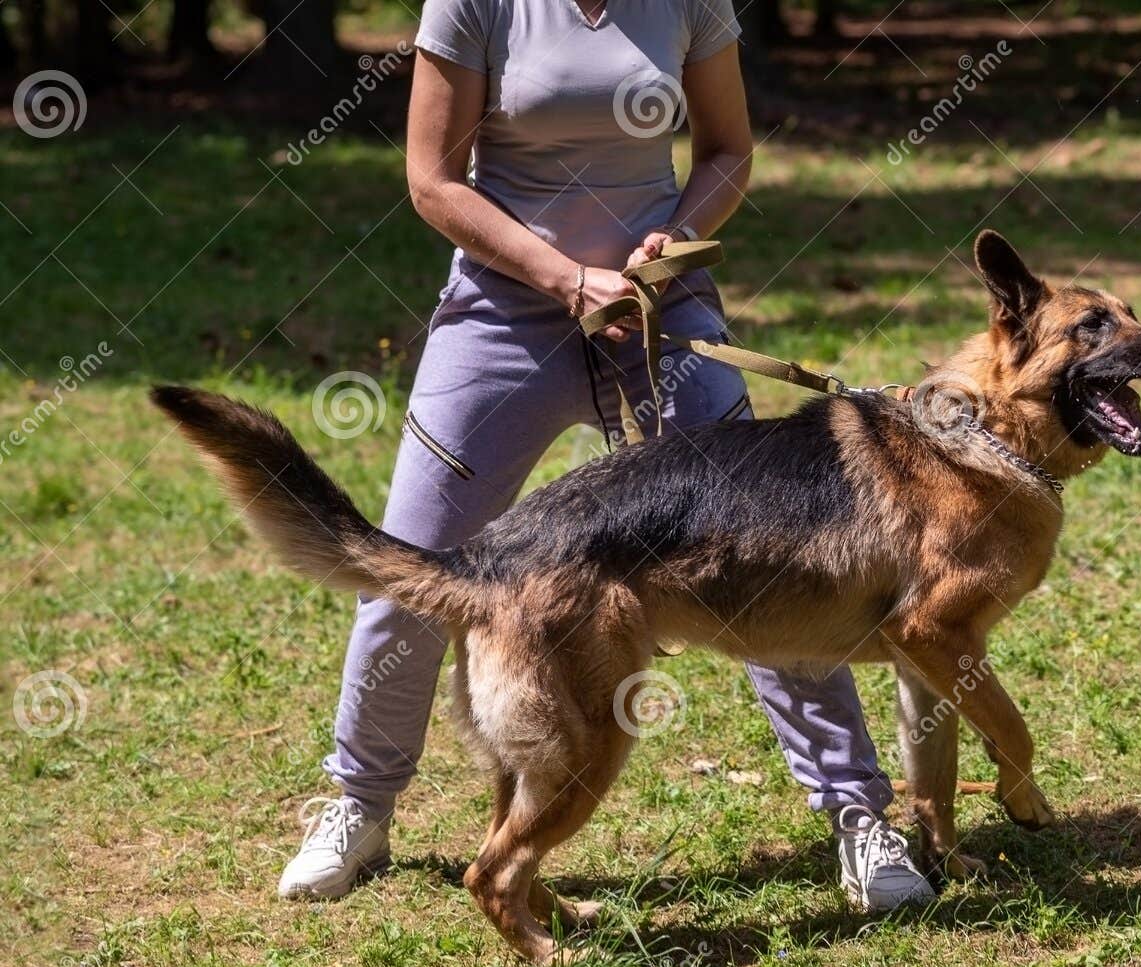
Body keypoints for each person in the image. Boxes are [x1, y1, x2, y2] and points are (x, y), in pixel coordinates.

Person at [277, 0, 935, 915]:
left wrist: (673, 234)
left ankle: (857, 813)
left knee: (777, 560)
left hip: (660, 311)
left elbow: (728, 150)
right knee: (417, 557)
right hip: (503, 318)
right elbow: (433, 181)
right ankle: (361, 800)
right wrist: (561, 275)